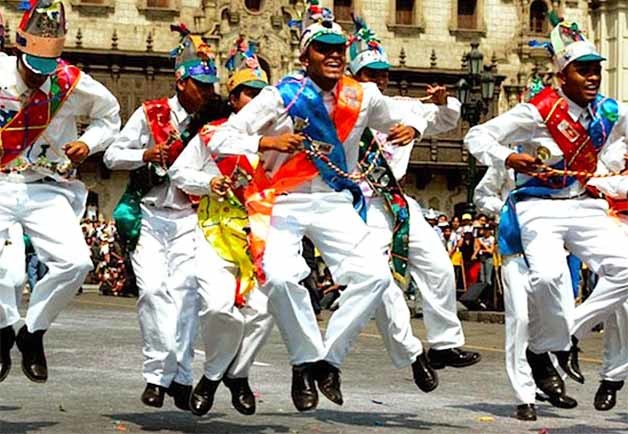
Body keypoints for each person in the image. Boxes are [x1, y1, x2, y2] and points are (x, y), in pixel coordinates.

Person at [209, 0, 428, 412]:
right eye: (323, 48)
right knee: (278, 277)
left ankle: (327, 359)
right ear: (304, 55)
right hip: (286, 200)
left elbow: (408, 112)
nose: (333, 55)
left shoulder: (361, 97)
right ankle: (304, 359)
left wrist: (414, 124)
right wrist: (265, 142)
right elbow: (222, 138)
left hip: (333, 201)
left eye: (339, 49)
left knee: (375, 276)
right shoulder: (283, 96)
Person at [464, 14, 628, 405]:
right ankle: (544, 350)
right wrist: (507, 157)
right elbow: (477, 135)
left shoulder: (611, 111)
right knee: (550, 279)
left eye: (595, 71)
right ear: (562, 75)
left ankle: (561, 338)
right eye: (582, 71)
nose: (592, 78)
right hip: (539, 206)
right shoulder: (537, 111)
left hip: (586, 204)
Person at [346, 16, 480, 377]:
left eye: (383, 74)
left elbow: (447, 119)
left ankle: (445, 343)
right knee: (381, 281)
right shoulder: (341, 110)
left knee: (439, 266)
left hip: (400, 203)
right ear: (354, 77)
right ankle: (410, 352)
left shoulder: (402, 106)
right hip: (361, 205)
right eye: (370, 74)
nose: (379, 80)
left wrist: (439, 104)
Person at [0, 0, 120, 385]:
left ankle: (32, 333)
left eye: (46, 72)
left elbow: (109, 115)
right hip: (1, 183)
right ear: (19, 48)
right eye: (34, 70)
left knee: (76, 262)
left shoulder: (71, 81)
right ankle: (3, 332)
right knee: (9, 272)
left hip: (45, 186)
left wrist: (89, 142)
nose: (40, 79)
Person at [104, 24, 218, 410]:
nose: (206, 93)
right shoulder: (149, 113)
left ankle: (179, 378)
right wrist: (145, 155)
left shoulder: (210, 121)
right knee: (153, 291)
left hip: (189, 217)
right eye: (200, 85)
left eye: (210, 86)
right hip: (149, 215)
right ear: (181, 81)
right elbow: (111, 156)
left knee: (186, 296)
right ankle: (156, 374)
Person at [169, 36, 274, 416]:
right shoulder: (212, 134)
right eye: (248, 94)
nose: (256, 102)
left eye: (263, 95)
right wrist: (207, 182)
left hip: (260, 236)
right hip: (214, 231)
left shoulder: (280, 140)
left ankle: (226, 376)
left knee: (262, 312)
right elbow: (179, 171)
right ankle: (220, 375)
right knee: (217, 308)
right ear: (234, 99)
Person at [474, 164, 578, 421]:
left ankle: (551, 380)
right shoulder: (508, 158)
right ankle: (525, 397)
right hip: (516, 252)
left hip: (554, 252)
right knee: (520, 321)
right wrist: (508, 209)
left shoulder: (564, 155)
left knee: (564, 316)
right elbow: (482, 195)